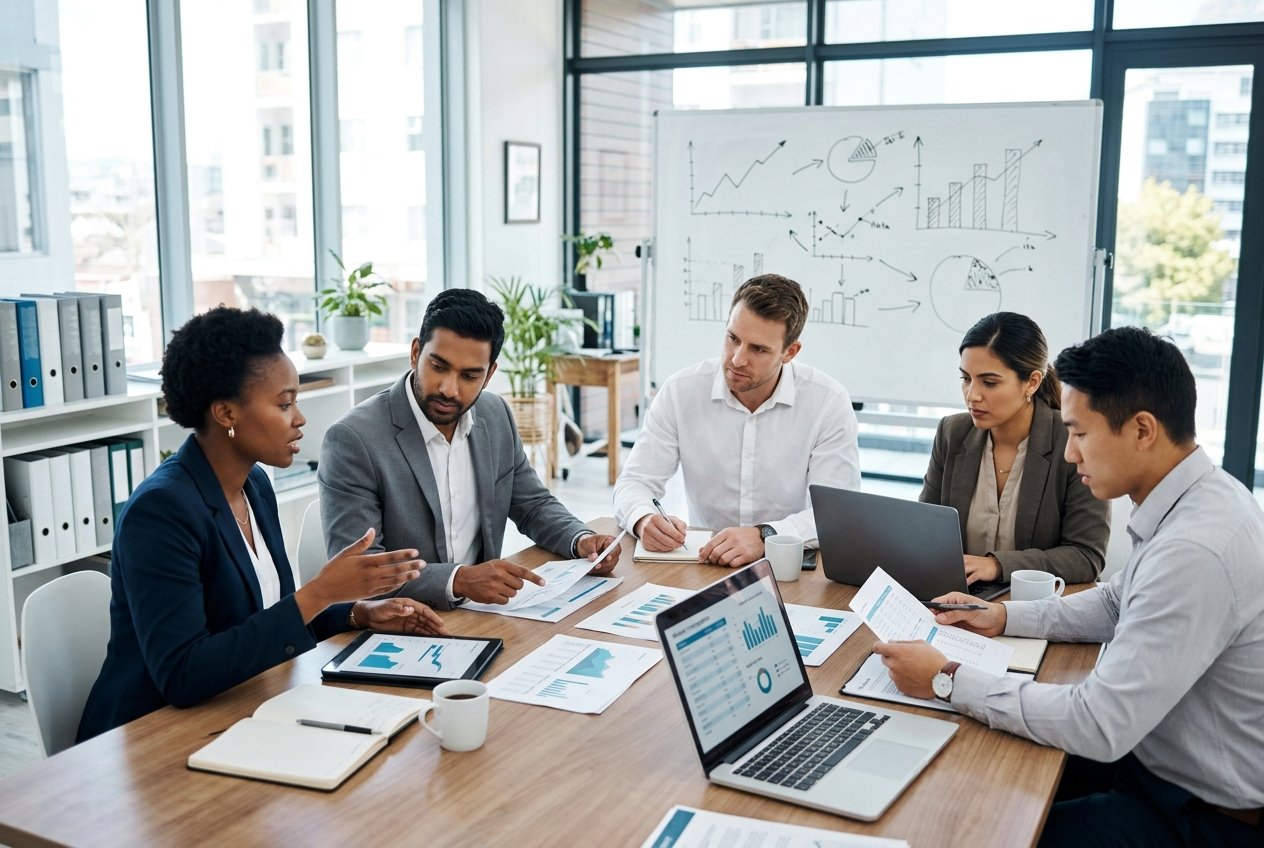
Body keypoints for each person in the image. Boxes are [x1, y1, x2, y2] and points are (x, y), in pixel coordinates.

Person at [875, 326, 1264, 847]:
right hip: (1153, 766)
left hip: (1197, 815)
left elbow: (1097, 724)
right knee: (974, 778)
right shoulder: (1199, 499)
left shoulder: (1195, 549)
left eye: (1080, 434)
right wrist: (1003, 616)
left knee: (971, 828)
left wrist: (946, 679)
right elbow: (1114, 601)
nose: (1069, 454)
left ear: (1142, 429)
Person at [78, 308, 446, 742]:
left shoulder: (253, 483)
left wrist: (355, 613)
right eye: (284, 403)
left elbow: (267, 617)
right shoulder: (161, 511)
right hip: (151, 736)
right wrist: (321, 591)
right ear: (226, 413)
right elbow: (183, 674)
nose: (299, 418)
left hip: (240, 710)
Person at [319, 289, 619, 610]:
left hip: (480, 616)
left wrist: (581, 540)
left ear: (489, 374)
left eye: (469, 375)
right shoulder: (353, 439)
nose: (449, 389)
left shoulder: (495, 415)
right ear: (415, 353)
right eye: (438, 366)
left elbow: (532, 504)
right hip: (399, 625)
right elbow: (359, 571)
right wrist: (458, 579)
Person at [613, 273, 860, 567]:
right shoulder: (681, 391)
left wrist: (765, 536)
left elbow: (836, 514)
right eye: (733, 338)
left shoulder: (827, 401)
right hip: (706, 564)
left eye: (758, 349)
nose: (737, 359)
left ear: (789, 352)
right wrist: (644, 518)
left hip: (788, 565)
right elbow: (635, 482)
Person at [921, 312, 1109, 585]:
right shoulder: (951, 433)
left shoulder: (1072, 441)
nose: (972, 395)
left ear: (1032, 382)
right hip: (959, 601)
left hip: (1039, 609)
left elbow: (1086, 555)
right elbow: (925, 531)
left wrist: (998, 565)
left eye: (989, 382)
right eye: (965, 378)